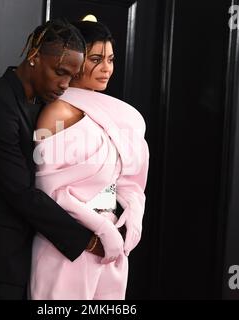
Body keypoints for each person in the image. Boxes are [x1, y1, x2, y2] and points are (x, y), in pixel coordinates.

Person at [0, 19, 122, 300]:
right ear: (34, 57)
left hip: (29, 248)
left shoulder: (43, 103)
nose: (64, 84)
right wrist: (89, 241)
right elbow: (19, 191)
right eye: (59, 72)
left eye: (72, 75)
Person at [30, 21, 150, 300]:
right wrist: (100, 230)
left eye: (110, 59)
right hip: (65, 247)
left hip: (110, 249)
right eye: (96, 59)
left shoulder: (115, 114)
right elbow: (48, 191)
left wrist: (133, 213)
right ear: (75, 60)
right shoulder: (56, 113)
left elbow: (122, 181)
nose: (106, 68)